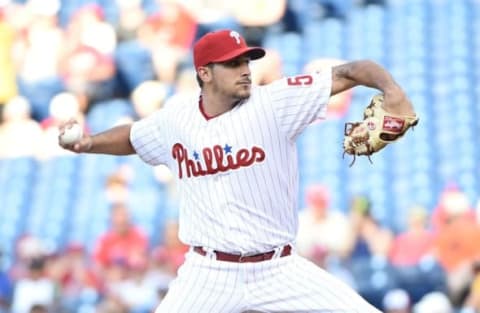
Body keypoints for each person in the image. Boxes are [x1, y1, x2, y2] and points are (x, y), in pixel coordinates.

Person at [59, 29, 416, 312]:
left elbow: (353, 70)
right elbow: (134, 137)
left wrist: (392, 90)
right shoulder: (175, 120)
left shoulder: (275, 102)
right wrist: (90, 142)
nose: (245, 69)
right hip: (209, 273)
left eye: (247, 60)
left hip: (279, 268)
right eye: (232, 64)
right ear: (205, 73)